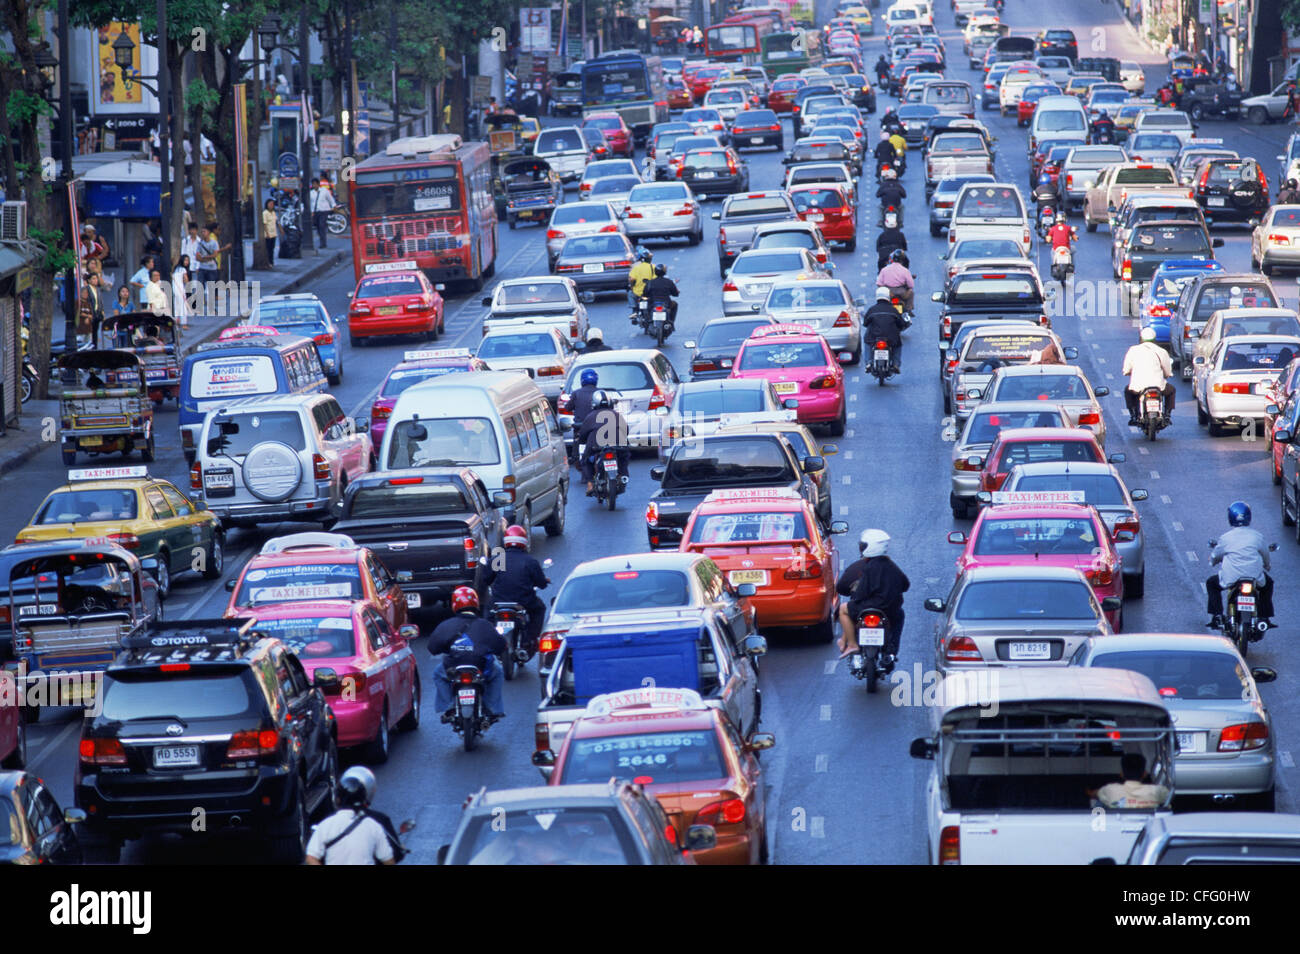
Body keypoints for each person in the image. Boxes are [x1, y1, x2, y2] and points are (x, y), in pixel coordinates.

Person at [427, 586, 507, 721]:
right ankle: (493, 708)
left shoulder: (445, 625)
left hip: (452, 668)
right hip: (481, 667)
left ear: (454, 605)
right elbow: (500, 646)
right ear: (475, 603)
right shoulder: (485, 625)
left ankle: (449, 706)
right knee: (498, 672)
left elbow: (432, 647)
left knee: (437, 674)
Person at [835, 528, 910, 664]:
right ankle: (891, 649)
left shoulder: (868, 567)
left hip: (871, 606)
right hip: (890, 610)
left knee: (843, 609)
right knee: (900, 616)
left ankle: (852, 644)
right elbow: (905, 585)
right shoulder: (891, 565)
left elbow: (861, 592)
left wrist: (855, 600)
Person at [305, 767, 400, 865]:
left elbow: (311, 858)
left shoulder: (326, 825)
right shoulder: (373, 825)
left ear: (338, 799)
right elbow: (389, 860)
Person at [1206, 501, 1275, 628]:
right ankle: (1264, 617)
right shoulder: (1257, 536)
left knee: (1211, 583)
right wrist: (1267, 566)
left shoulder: (1226, 538)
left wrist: (1212, 562)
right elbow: (1265, 554)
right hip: (1254, 577)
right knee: (1268, 584)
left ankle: (1217, 615)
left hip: (1231, 578)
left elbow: (1216, 555)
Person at [483, 524, 550, 650]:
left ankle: (488, 640)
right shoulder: (530, 561)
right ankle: (530, 639)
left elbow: (486, 579)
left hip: (499, 601)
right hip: (523, 601)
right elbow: (541, 583)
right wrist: (544, 581)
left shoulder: (498, 559)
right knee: (539, 609)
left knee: (488, 613)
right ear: (524, 541)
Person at [577, 389, 631, 495]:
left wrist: (582, 442)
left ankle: (590, 484)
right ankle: (623, 475)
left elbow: (582, 435)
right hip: (618, 445)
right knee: (624, 456)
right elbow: (626, 430)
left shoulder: (590, 416)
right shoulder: (616, 414)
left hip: (596, 446)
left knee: (585, 459)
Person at [1121, 326, 1175, 426]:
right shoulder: (1161, 351)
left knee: (1128, 391)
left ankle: (1133, 415)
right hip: (1158, 386)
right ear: (1154, 339)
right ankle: (1167, 415)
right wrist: (1167, 374)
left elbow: (1126, 369)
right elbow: (1168, 370)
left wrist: (1127, 372)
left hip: (1138, 386)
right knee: (1171, 390)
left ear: (1141, 338)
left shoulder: (1133, 350)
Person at [1094, 753, 1170, 809]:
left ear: (1121, 774)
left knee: (1101, 802)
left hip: (1118, 826)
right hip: (1149, 825)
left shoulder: (1110, 790)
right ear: (1144, 774)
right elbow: (1167, 797)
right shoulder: (1157, 791)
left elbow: (1095, 794)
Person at [862, 286, 908, 373]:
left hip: (874, 337)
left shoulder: (872, 310)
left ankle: (868, 363)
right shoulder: (894, 310)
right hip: (891, 338)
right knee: (898, 345)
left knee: (866, 342)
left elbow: (865, 323)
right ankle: (895, 364)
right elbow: (901, 324)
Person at [877, 249, 914, 315]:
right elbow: (911, 285)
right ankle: (909, 310)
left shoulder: (884, 269)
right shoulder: (905, 270)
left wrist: (887, 291)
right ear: (902, 260)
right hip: (902, 293)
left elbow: (879, 283)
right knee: (911, 291)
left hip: (888, 293)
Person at [643, 262, 679, 327]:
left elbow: (645, 293)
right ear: (664, 272)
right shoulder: (669, 282)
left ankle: (648, 320)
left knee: (646, 307)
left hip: (652, 303)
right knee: (675, 304)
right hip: (666, 303)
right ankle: (671, 322)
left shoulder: (650, 282)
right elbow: (675, 293)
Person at [310, 177, 338, 248]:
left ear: (318, 184)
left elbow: (330, 199)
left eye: (315, 184)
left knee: (322, 225)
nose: (314, 185)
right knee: (318, 227)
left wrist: (334, 206)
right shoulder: (311, 193)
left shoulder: (324, 191)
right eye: (313, 184)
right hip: (316, 212)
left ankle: (323, 243)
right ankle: (321, 240)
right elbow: (311, 203)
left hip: (324, 211)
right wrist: (312, 212)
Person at [628, 247, 654, 315]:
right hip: (651, 292)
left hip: (638, 292)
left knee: (630, 293)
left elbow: (631, 279)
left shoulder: (635, 267)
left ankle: (634, 310)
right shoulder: (653, 266)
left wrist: (632, 286)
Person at [172, 255, 191, 328]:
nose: (187, 262)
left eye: (188, 260)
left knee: (176, 306)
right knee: (183, 306)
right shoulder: (183, 269)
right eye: (185, 260)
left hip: (174, 289)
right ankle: (184, 324)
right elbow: (186, 280)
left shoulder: (176, 268)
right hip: (180, 289)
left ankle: (176, 321)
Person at [262, 198, 278, 268]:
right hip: (268, 234)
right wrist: (267, 233)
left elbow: (276, 221)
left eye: (272, 204)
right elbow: (264, 224)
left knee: (272, 248)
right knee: (268, 249)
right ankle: (268, 262)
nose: (271, 205)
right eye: (270, 204)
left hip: (273, 233)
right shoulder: (265, 213)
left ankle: (271, 261)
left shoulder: (273, 213)